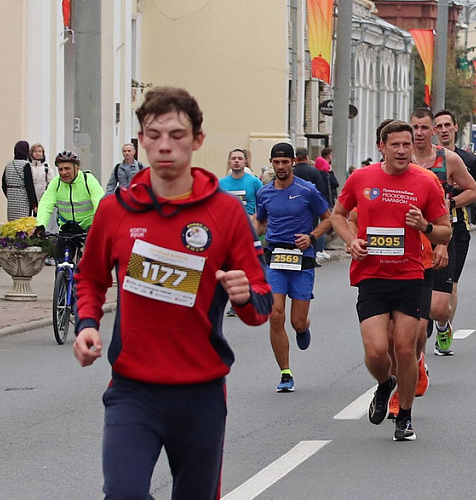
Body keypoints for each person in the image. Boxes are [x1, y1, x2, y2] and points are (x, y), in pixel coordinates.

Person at [71, 86, 272, 499]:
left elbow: (260, 306)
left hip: (200, 393)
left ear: (197, 140)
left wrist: (244, 295)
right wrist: (87, 324)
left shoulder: (224, 212)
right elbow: (90, 276)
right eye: (154, 134)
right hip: (132, 389)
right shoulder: (116, 209)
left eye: (177, 135)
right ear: (141, 140)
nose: (165, 146)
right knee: (123, 494)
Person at [330, 120, 451, 441]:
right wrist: (351, 239)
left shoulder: (425, 182)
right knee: (375, 351)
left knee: (405, 348)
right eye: (394, 145)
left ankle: (405, 416)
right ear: (381, 147)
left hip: (410, 276)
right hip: (371, 276)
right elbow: (338, 214)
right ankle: (385, 384)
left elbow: (445, 230)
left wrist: (425, 226)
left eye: (406, 145)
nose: (401, 150)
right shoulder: (362, 178)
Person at [256, 142, 332, 392]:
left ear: (293, 163)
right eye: (276, 162)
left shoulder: (307, 190)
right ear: (271, 163)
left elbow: (328, 219)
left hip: (302, 258)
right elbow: (261, 223)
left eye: (284, 162)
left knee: (297, 321)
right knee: (275, 315)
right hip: (276, 257)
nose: (280, 167)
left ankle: (303, 328)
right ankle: (285, 373)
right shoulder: (265, 193)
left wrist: (311, 237)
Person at [409, 108, 476, 356]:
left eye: (424, 128)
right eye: (415, 128)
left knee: (439, 308)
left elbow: (474, 191)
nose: (419, 133)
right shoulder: (402, 158)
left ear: (434, 131)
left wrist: (452, 203)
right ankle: (416, 357)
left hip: (441, 234)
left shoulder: (448, 159)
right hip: (409, 240)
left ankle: (442, 324)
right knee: (414, 306)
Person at [433, 110, 476, 327]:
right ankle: (425, 319)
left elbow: (474, 193)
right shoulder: (424, 157)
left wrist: (451, 202)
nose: (444, 130)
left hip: (457, 226)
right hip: (428, 228)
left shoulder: (467, 159)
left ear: (455, 127)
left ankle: (445, 328)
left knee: (451, 285)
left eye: (447, 125)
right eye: (439, 126)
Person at [35, 151, 105, 261]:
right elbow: (46, 204)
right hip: (68, 227)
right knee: (60, 260)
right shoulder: (56, 183)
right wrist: (40, 225)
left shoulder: (88, 180)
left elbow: (100, 202)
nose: (63, 172)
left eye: (67, 168)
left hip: (89, 227)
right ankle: (62, 276)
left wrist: (100, 225)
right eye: (60, 169)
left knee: (93, 260)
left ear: (77, 168)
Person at [220, 148, 264, 317]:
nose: (237, 161)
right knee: (231, 267)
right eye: (234, 158)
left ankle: (249, 299)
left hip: (249, 230)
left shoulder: (253, 182)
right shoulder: (222, 183)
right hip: (228, 231)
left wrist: (256, 218)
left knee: (246, 266)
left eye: (240, 158)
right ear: (229, 162)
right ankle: (234, 302)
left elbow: (263, 202)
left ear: (245, 162)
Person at [2, 140, 37, 221]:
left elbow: (3, 184)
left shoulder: (8, 165)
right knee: (23, 226)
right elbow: (29, 186)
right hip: (23, 200)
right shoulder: (25, 165)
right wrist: (34, 204)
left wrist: (10, 195)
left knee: (12, 225)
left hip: (11, 201)